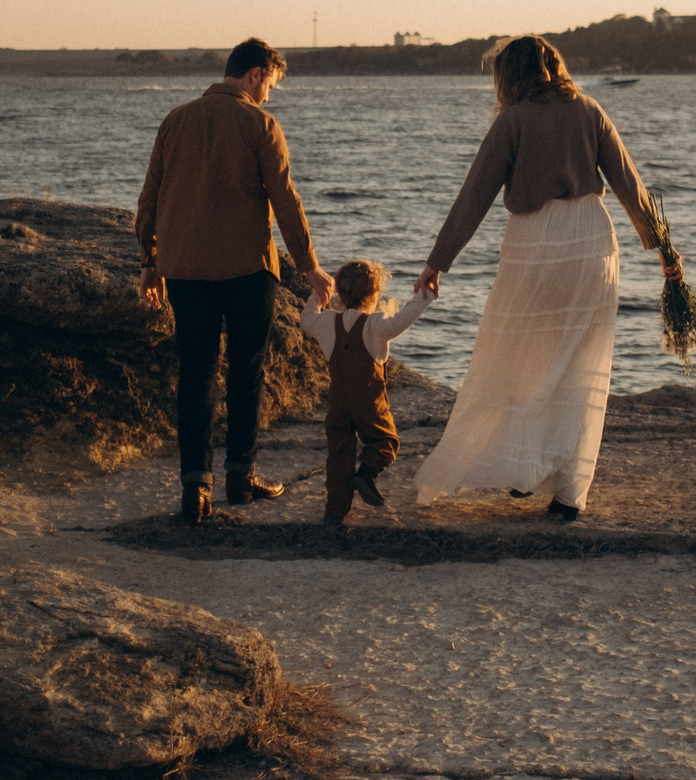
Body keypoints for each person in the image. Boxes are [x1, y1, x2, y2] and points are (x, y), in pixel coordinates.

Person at [413, 35, 658, 520]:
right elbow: (628, 180)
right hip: (592, 240)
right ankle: (568, 492)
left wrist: (438, 261)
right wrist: (663, 251)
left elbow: (474, 195)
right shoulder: (589, 109)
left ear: (510, 76)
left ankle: (525, 469)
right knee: (582, 363)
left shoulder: (514, 120)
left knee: (522, 357)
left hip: (537, 243)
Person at [136, 37, 330, 522]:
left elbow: (150, 198)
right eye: (270, 84)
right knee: (247, 371)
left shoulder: (175, 120)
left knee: (196, 373)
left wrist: (149, 263)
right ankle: (241, 479)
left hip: (185, 270)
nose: (269, 94)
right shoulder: (260, 124)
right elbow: (285, 200)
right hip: (247, 269)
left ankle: (194, 489)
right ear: (255, 74)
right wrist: (309, 267)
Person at [300, 259, 437, 524]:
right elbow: (405, 318)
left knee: (339, 455)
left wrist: (317, 296)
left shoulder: (327, 323)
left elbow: (306, 320)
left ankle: (335, 512)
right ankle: (366, 474)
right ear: (374, 295)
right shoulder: (376, 325)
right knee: (386, 442)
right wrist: (425, 294)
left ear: (339, 294)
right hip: (369, 404)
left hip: (338, 405)